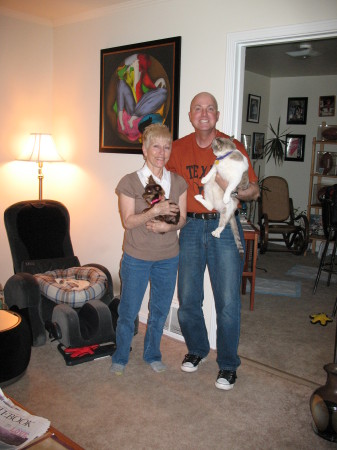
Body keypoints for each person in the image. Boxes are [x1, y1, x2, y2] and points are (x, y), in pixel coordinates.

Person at [166, 92, 260, 390]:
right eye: (198, 108)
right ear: (191, 115)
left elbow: (254, 191)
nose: (203, 113)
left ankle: (229, 365)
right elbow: (163, 183)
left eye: (209, 109)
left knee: (228, 302)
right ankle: (197, 349)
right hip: (191, 228)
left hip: (224, 224)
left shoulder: (232, 147)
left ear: (217, 115)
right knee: (188, 300)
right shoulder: (178, 148)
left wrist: (232, 190)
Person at [111, 123, 187, 375]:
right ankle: (120, 356)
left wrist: (166, 228)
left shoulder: (177, 182)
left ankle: (152, 353)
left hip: (168, 257)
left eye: (166, 147)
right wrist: (154, 211)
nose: (161, 152)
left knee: (159, 310)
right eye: (155, 146)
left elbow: (183, 219)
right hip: (137, 257)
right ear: (144, 149)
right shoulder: (130, 182)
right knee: (128, 310)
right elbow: (128, 221)